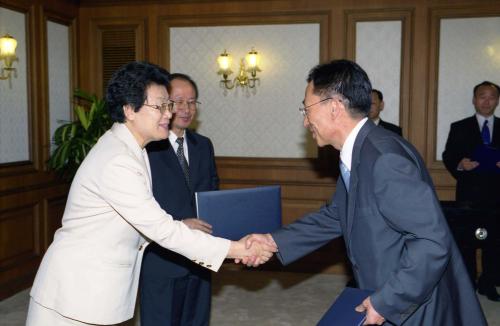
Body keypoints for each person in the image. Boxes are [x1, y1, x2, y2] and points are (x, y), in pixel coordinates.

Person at [26, 61, 276, 326]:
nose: (169, 113)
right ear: (129, 110)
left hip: (94, 287)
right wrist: (237, 248)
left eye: (169, 105)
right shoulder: (118, 161)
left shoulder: (134, 148)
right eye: (160, 106)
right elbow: (162, 230)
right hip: (78, 290)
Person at [246, 60, 486, 325]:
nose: (305, 121)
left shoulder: (384, 159)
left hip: (411, 304)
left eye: (307, 109)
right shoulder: (360, 151)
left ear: (335, 107)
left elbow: (431, 241)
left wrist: (388, 301)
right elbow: (338, 215)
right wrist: (274, 241)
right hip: (385, 290)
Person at [140, 73, 218, 325]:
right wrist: (180, 223)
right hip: (162, 258)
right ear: (164, 105)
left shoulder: (203, 145)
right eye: (177, 102)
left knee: (197, 320)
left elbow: (212, 192)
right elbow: (142, 205)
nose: (186, 109)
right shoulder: (146, 148)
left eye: (192, 102)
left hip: (200, 255)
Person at [442, 80, 500, 301]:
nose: (486, 101)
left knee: (494, 241)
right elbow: (449, 155)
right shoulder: (460, 126)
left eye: (491, 97)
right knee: (466, 240)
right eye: (482, 96)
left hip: (496, 194)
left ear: (497, 101)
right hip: (469, 193)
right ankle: (467, 284)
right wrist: (460, 164)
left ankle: (489, 283)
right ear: (474, 100)